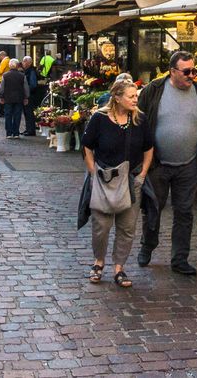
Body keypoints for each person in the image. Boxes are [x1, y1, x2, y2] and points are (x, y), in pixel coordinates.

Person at [137, 50, 197, 275]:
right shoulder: (153, 91)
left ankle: (180, 258)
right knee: (152, 208)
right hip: (157, 163)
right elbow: (139, 123)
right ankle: (147, 245)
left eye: (195, 70)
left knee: (184, 212)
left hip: (188, 164)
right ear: (172, 71)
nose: (192, 75)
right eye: (186, 71)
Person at [77, 78, 150, 290]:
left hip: (131, 178)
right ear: (117, 98)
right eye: (131, 96)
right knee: (102, 226)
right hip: (104, 178)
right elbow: (87, 146)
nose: (136, 99)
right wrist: (93, 171)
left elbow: (149, 147)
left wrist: (143, 173)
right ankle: (98, 261)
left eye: (136, 95)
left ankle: (119, 267)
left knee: (127, 227)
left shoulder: (140, 119)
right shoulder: (99, 118)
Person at [0, 59, 31, 139]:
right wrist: (26, 97)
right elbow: (26, 88)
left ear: (10, 65)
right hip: (19, 98)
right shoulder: (22, 75)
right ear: (17, 66)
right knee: (17, 115)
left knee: (8, 115)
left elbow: (2, 88)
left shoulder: (5, 75)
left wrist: (1, 96)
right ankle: (16, 133)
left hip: (8, 98)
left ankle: (9, 133)